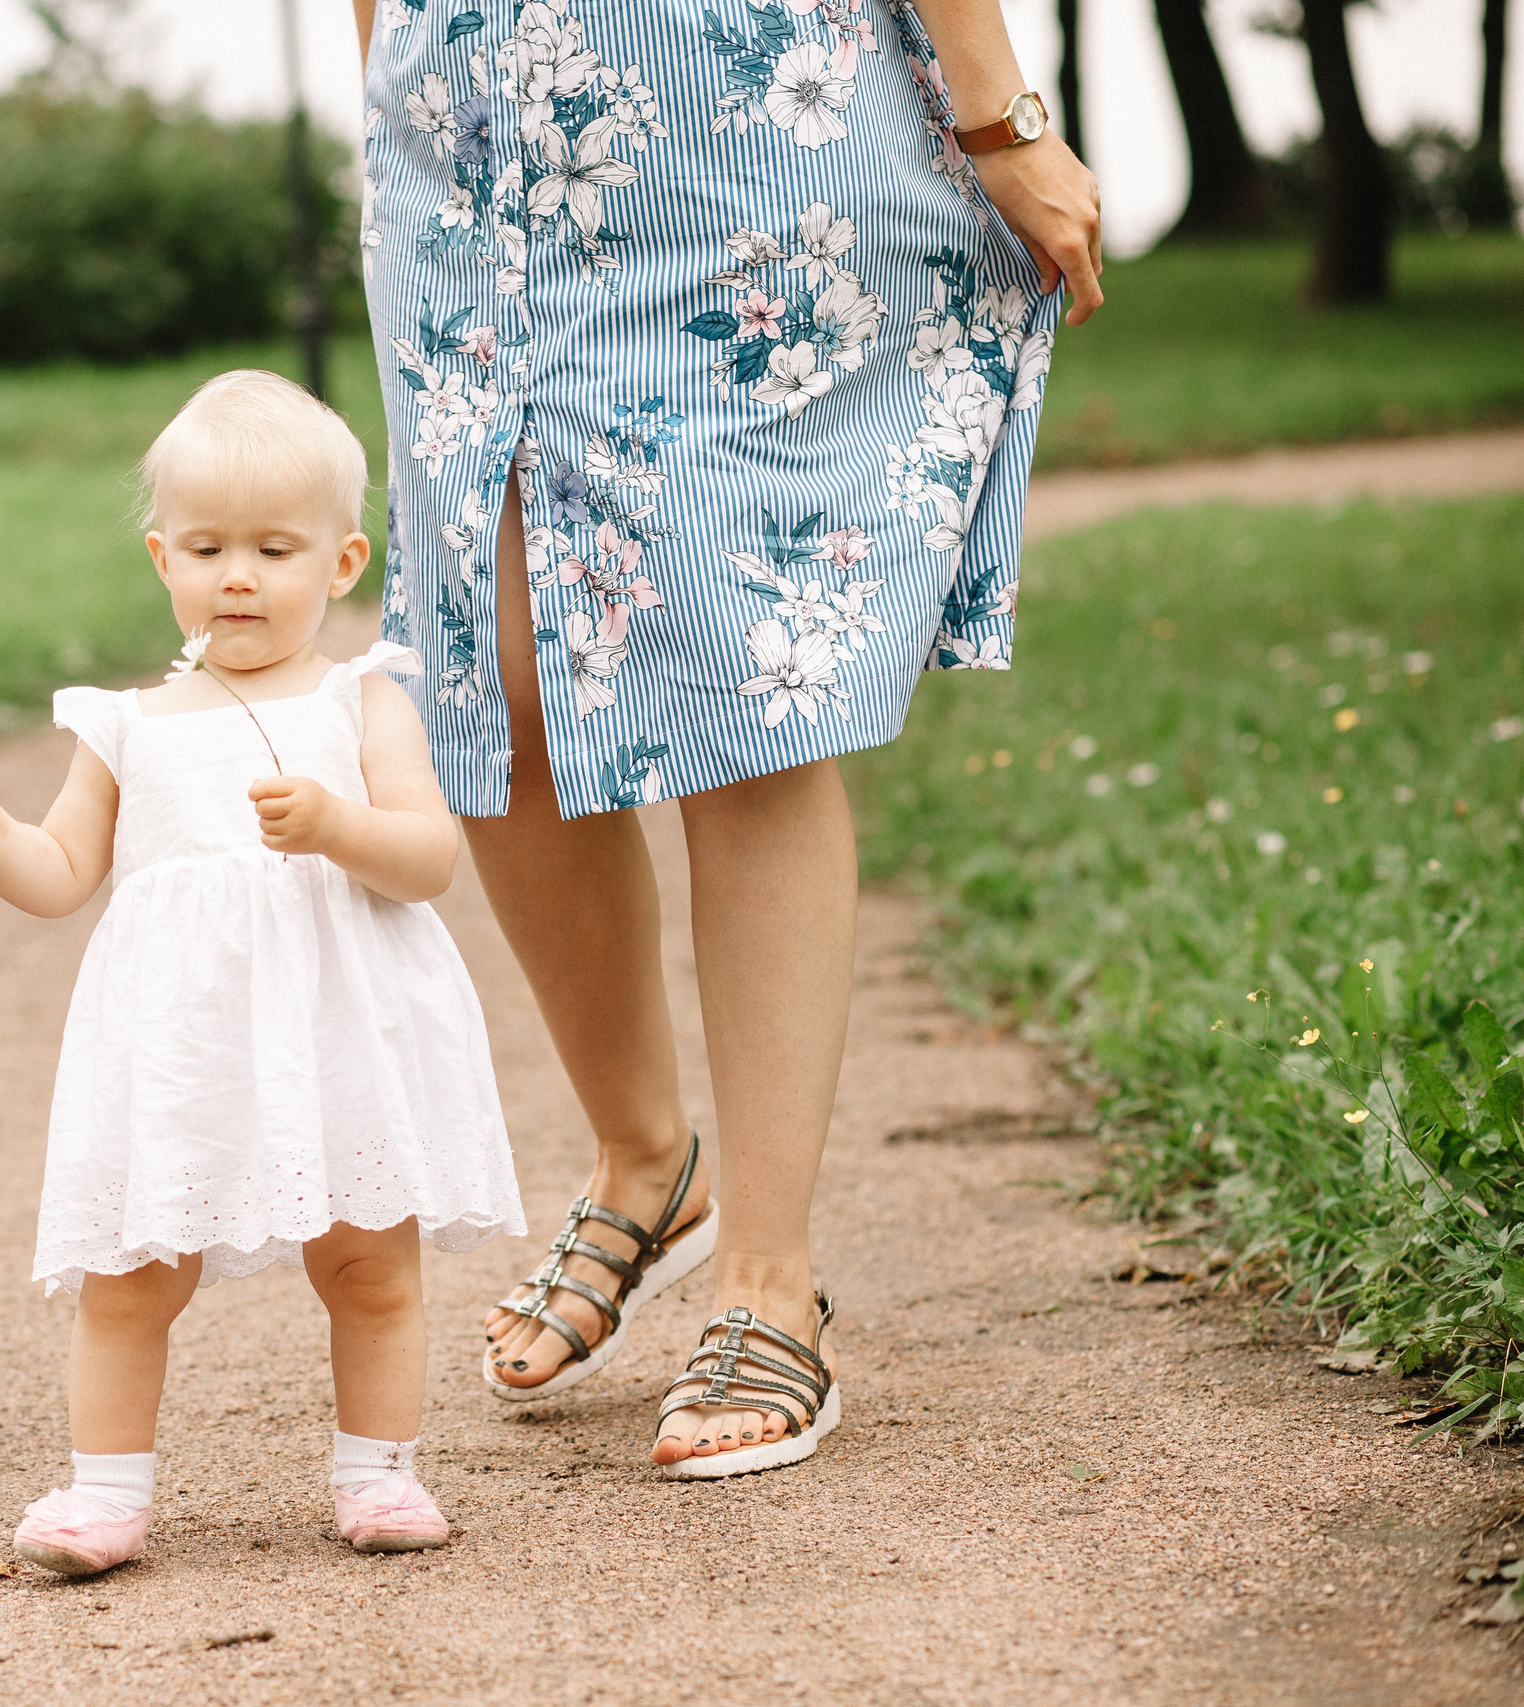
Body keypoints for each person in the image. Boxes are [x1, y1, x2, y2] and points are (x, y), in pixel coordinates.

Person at [352, 0, 1104, 1475]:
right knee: (496, 680)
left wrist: (996, 107)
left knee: (743, 674)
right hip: (460, 126)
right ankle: (647, 1158)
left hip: (723, 113)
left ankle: (769, 1268)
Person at [0, 372, 525, 1574]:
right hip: (183, 1044)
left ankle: (378, 1472)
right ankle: (104, 1493)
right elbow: (63, 871)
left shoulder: (362, 698)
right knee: (130, 1273)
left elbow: (430, 858)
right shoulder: (126, 723)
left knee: (366, 1263)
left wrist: (339, 826)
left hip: (339, 1029)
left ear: (342, 564)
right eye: (206, 547)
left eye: (273, 548)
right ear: (161, 558)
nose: (237, 574)